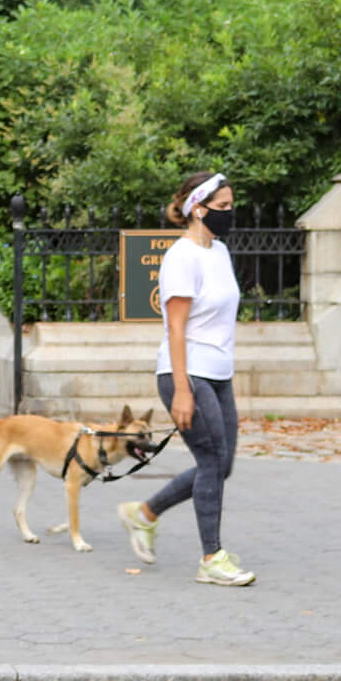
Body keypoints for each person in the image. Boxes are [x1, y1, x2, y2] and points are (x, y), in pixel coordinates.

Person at [117, 170, 255, 586]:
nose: (230, 214)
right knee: (212, 461)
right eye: (223, 207)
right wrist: (181, 389)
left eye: (232, 206)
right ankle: (211, 557)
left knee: (221, 465)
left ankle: (143, 514)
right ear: (198, 209)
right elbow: (175, 327)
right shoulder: (181, 256)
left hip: (218, 374)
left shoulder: (220, 252)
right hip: (186, 372)